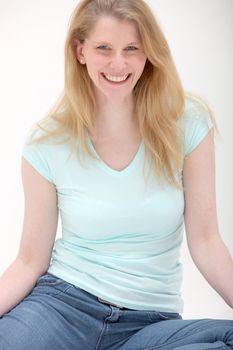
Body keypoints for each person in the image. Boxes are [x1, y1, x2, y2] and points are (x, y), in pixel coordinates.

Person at [0, 0, 233, 349]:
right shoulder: (47, 141)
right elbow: (30, 260)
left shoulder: (187, 121)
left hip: (149, 323)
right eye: (104, 49)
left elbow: (206, 241)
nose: (118, 63)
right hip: (63, 308)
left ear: (148, 52)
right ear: (80, 51)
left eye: (131, 49)